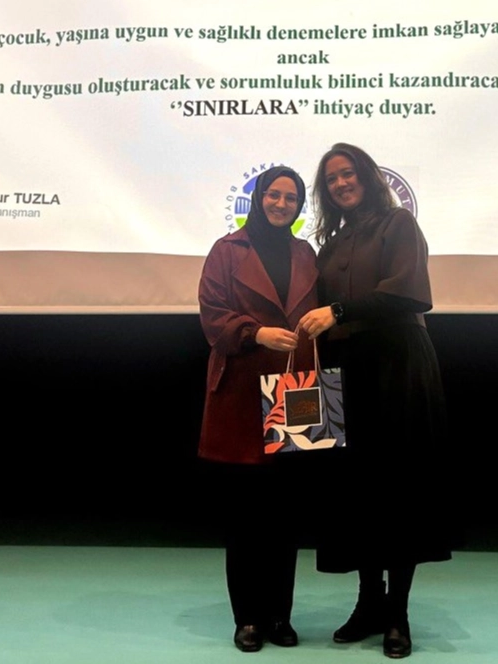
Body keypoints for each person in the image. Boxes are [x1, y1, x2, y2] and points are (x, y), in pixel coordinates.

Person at [298, 143, 452, 659]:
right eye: (332, 179)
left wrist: (338, 312)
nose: (341, 184)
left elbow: (409, 292)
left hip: (396, 364)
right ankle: (368, 603)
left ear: (366, 176)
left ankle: (397, 613)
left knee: (399, 488)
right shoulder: (329, 245)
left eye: (348, 174)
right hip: (345, 371)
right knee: (357, 492)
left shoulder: (398, 224)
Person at [197, 165, 318, 652]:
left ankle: (280, 616)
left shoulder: (306, 253)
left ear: (299, 206)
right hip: (243, 393)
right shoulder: (226, 250)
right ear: (258, 198)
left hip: (294, 389)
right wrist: (255, 333)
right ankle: (247, 618)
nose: (281, 204)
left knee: (285, 516)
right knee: (246, 516)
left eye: (291, 198)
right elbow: (212, 315)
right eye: (274, 195)